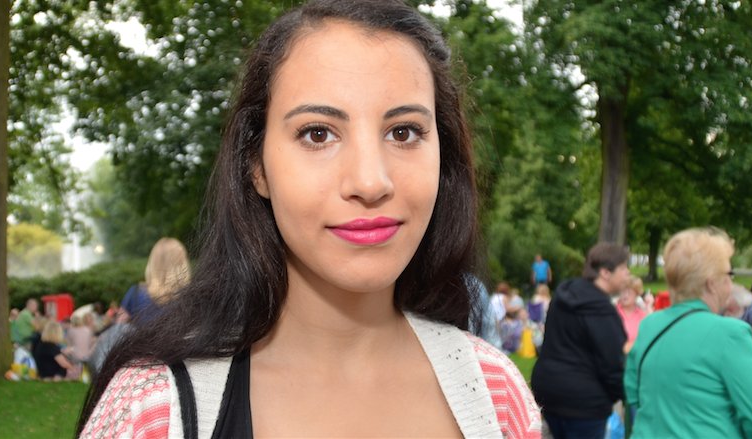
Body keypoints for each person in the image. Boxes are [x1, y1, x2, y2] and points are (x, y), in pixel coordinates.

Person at [77, 1, 541, 437]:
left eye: (403, 132)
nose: (370, 181)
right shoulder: (154, 409)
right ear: (256, 166)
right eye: (318, 134)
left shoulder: (496, 395)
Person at [624, 228, 752, 438]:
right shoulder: (731, 333)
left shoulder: (650, 325)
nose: (731, 283)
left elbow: (634, 394)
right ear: (711, 283)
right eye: (729, 275)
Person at [531, 243, 630, 439]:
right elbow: (613, 365)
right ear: (605, 273)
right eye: (624, 268)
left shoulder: (563, 295)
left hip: (549, 391)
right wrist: (621, 395)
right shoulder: (601, 311)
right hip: (584, 403)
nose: (628, 273)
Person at [615, 276, 649, 352]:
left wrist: (649, 306)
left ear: (637, 294)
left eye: (629, 292)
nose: (625, 295)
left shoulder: (642, 315)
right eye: (623, 291)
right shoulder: (613, 312)